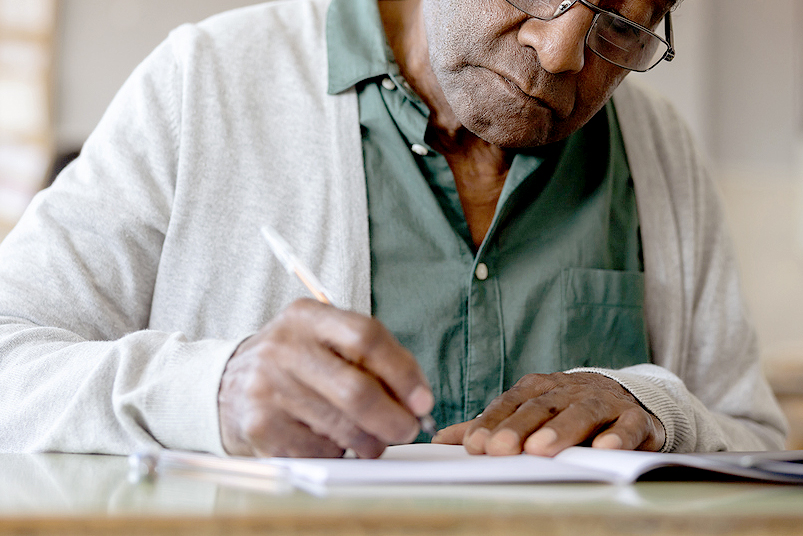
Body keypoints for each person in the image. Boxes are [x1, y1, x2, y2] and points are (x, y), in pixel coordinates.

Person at [0, 0, 787, 458]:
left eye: (619, 23)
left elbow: (751, 437)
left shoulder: (659, 150)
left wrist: (652, 408)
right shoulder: (203, 79)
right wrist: (210, 389)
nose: (557, 53)